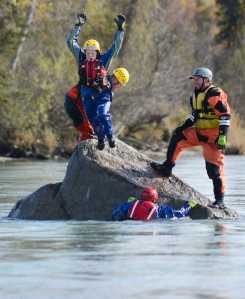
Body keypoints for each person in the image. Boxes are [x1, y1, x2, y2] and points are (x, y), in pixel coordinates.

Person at [151, 67, 231, 208]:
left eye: (197, 79)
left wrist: (223, 136)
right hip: (199, 132)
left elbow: (225, 116)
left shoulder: (215, 94)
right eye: (194, 79)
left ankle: (220, 201)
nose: (194, 81)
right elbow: (195, 115)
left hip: (214, 137)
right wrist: (182, 126)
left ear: (206, 80)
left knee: (214, 171)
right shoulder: (195, 94)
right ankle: (167, 167)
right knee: (177, 137)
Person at [64, 13, 126, 141]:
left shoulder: (103, 60)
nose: (90, 54)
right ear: (84, 51)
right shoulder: (81, 56)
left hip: (99, 93)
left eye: (93, 51)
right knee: (83, 117)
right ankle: (89, 137)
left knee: (99, 117)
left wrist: (120, 30)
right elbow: (71, 42)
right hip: (84, 93)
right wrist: (78, 25)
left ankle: (101, 137)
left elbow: (115, 47)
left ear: (98, 53)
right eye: (88, 51)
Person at [90, 67, 129, 150]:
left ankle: (110, 136)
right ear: (116, 79)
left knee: (103, 114)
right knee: (95, 121)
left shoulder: (109, 87)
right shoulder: (104, 79)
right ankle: (101, 139)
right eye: (119, 84)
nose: (119, 87)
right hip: (95, 101)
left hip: (105, 100)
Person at [112, 187, 197, 221]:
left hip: (130, 224)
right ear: (155, 198)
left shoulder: (131, 204)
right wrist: (189, 205)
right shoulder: (159, 209)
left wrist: (128, 203)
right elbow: (179, 213)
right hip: (151, 224)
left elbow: (115, 213)